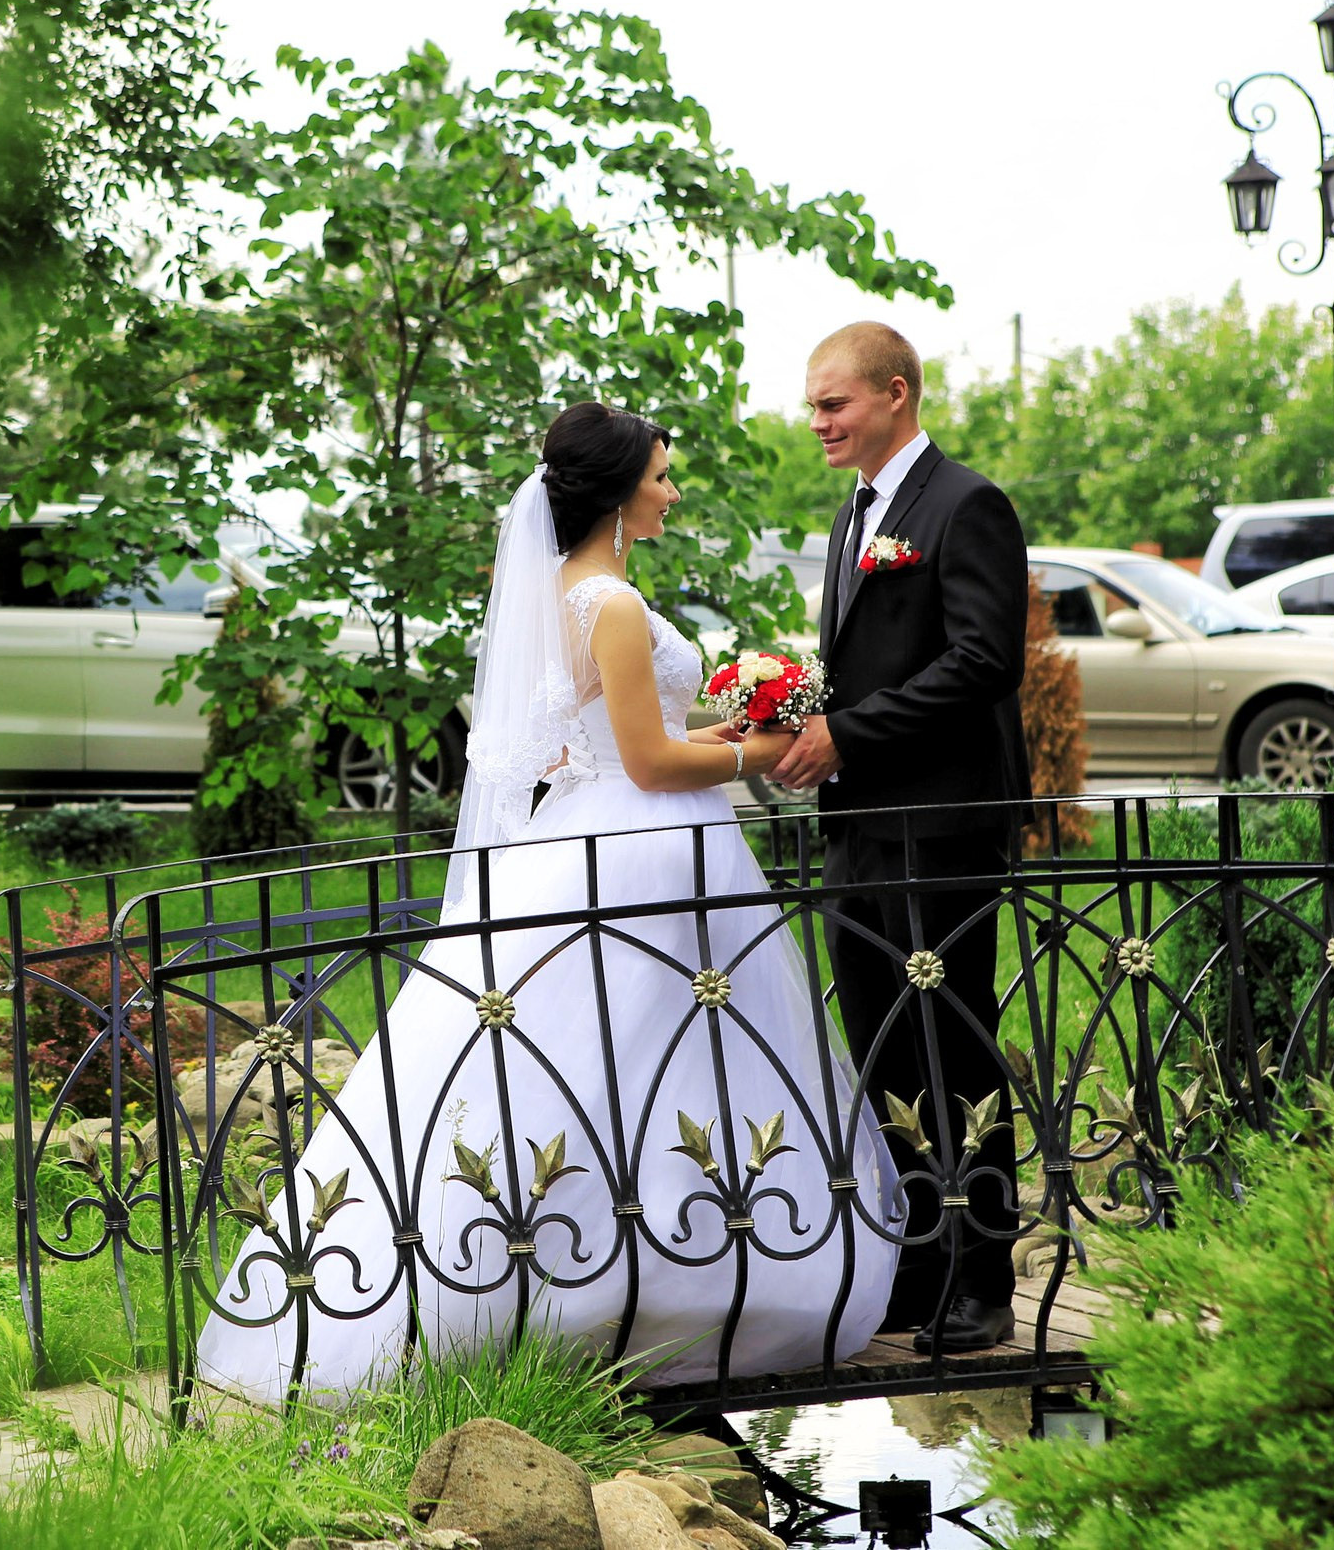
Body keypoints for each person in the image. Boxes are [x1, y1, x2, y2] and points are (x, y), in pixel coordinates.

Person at [195, 403, 901, 1403]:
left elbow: (624, 729)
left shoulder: (574, 594)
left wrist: (738, 711)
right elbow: (652, 762)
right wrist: (763, 750)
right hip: (641, 849)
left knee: (630, 1065)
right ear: (618, 490)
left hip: (598, 838)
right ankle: (641, 1283)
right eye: (660, 473)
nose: (670, 488)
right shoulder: (608, 600)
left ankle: (610, 1281)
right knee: (638, 1061)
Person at [767, 322, 1031, 1355]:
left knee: (952, 1043)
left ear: (895, 393)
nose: (818, 422)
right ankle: (920, 1263)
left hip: (943, 822)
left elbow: (982, 662)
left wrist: (846, 731)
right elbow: (874, 663)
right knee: (884, 1047)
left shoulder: (965, 504)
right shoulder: (854, 516)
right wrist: (797, 717)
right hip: (861, 828)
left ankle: (984, 1280)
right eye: (813, 407)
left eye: (833, 404)